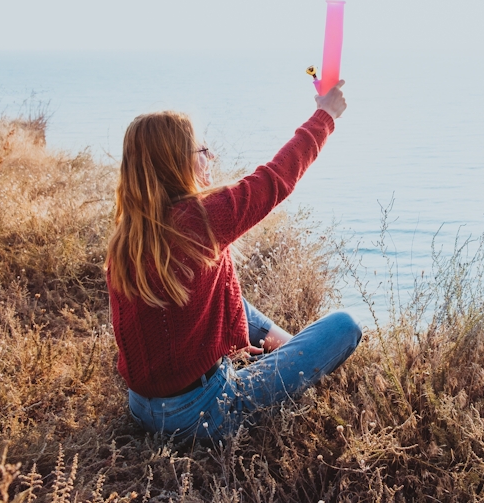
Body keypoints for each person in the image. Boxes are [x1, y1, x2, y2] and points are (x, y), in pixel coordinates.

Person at [105, 81, 361, 440]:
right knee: (344, 327)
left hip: (142, 406)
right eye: (202, 150)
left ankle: (283, 343)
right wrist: (326, 115)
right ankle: (293, 352)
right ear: (179, 162)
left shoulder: (130, 233)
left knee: (221, 291)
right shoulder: (200, 219)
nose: (209, 158)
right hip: (201, 414)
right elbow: (275, 179)